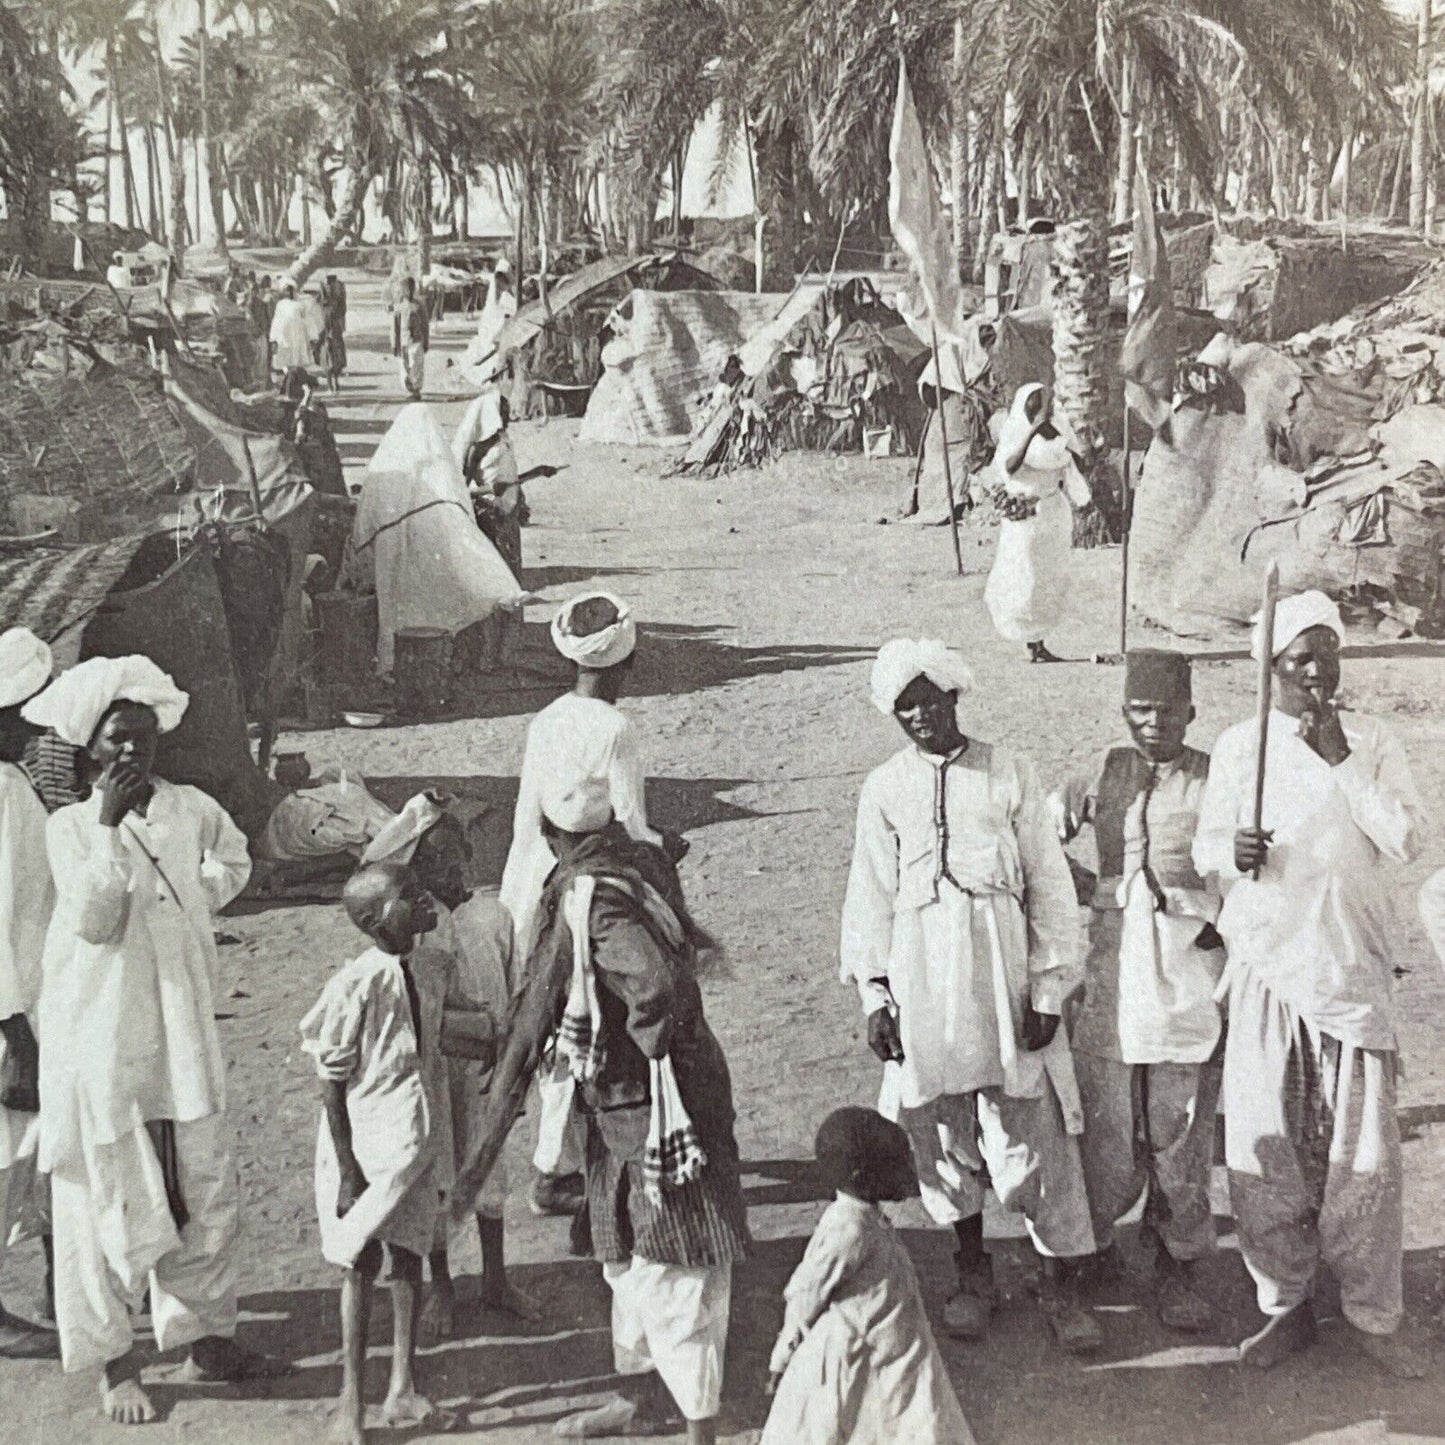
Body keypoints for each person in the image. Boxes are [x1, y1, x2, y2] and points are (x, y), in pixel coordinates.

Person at [22, 655, 285, 1423]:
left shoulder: (188, 807)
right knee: (106, 1187)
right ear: (90, 748)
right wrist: (107, 829)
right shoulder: (69, 827)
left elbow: (232, 858)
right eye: (118, 740)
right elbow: (94, 920)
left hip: (180, 1027)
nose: (134, 753)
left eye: (144, 737)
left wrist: (192, 906)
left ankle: (208, 1338)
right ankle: (115, 1358)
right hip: (103, 1035)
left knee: (203, 1178)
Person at [841, 639, 1100, 1352]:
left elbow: (1049, 884)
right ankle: (970, 1269)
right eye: (904, 705)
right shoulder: (884, 788)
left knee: (1030, 1136)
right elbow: (869, 896)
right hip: (924, 985)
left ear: (954, 696)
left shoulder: (1008, 770)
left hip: (1001, 978)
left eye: (929, 698)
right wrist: (875, 996)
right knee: (943, 1132)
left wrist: (1049, 986)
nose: (919, 714)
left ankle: (1060, 1282)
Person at [1192, 590, 1425, 1377]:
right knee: (1272, 1153)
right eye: (1301, 658)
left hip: (1350, 969)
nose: (1319, 670)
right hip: (1267, 969)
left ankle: (1369, 1316)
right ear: (1270, 668)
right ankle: (1284, 1305)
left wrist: (1343, 762)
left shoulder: (1373, 738)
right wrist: (1234, 849)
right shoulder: (1237, 746)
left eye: (1330, 653)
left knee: (1364, 1162)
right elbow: (1203, 851)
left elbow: (1405, 837)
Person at [533, 772, 747, 1444]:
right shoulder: (636, 865)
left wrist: (646, 1048)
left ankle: (698, 1428)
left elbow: (649, 980)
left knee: (672, 1257)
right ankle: (648, 1399)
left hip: (651, 1095)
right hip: (640, 1095)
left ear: (550, 836)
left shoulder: (595, 899)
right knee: (627, 1250)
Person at [1051, 650, 1224, 1331]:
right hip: (1114, 977)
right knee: (1106, 1129)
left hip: (1186, 979)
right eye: (1139, 711)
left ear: (1190, 710)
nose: (1153, 724)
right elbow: (1034, 840)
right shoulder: (1103, 770)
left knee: (1178, 1131)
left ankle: (1175, 1262)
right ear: (1125, 713)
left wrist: (1219, 919)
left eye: (1167, 710)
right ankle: (1088, 1254)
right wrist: (1073, 881)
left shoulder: (1220, 776)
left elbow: (1249, 871)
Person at [498, 592, 686, 1218]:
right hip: (589, 885)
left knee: (554, 1020)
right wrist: (666, 849)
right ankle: (558, 1166)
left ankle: (563, 1156)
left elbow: (530, 812)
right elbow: (632, 822)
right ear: (626, 665)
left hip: (533, 876)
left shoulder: (546, 719)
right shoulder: (617, 729)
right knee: (593, 1012)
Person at [301, 861, 492, 1443]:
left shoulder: (434, 966)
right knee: (359, 1264)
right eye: (411, 896)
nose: (426, 900)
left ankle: (403, 1387)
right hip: (364, 1148)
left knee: (407, 1257)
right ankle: (351, 1401)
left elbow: (443, 1031)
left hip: (417, 1141)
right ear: (373, 920)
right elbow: (331, 1082)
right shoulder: (354, 985)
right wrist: (348, 1170)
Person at [360, 794, 538, 1339]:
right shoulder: (415, 931)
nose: (456, 870)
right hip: (435, 1071)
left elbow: (514, 984)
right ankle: (441, 1284)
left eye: (460, 856)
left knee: (489, 1163)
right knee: (440, 1171)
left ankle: (495, 1277)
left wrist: (509, 1049)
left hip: (485, 1068)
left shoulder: (494, 914)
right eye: (440, 862)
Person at [760, 1107, 976, 1445]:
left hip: (893, 1341)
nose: (909, 1172)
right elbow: (807, 1292)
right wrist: (784, 1354)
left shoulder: (864, 1216)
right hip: (866, 1350)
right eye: (899, 1167)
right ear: (862, 1179)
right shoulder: (847, 1229)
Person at [344, 404, 527, 675]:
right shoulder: (439, 463)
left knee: (391, 605)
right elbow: (460, 507)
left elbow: (365, 519)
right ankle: (432, 662)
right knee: (427, 605)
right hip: (428, 541)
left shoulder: (387, 462)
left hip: (389, 548)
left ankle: (390, 661)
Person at [0, 629, 57, 1359]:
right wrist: (14, 1029)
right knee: (10, 1154)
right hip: (14, 1008)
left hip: (36, 996)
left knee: (42, 1150)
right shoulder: (3, 797)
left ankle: (57, 1281)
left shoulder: (15, 784)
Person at [982, 384, 1092, 663]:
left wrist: (1056, 434)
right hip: (1025, 514)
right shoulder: (1015, 431)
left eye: (1042, 402)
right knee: (1024, 576)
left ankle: (1039, 642)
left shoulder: (1056, 431)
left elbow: (1078, 462)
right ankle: (1029, 641)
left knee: (1047, 577)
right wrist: (1032, 432)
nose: (1039, 407)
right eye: (1033, 402)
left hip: (1051, 513)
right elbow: (1009, 465)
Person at [455, 389, 524, 577]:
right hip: (489, 509)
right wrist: (489, 490)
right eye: (504, 413)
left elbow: (509, 471)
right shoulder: (477, 449)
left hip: (508, 505)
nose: (508, 418)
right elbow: (462, 488)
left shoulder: (503, 439)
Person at [270, 279, 320, 376]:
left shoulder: (300, 305)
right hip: (284, 337)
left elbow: (308, 321)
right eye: (286, 290)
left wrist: (313, 337)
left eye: (290, 290)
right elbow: (276, 322)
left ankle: (298, 382)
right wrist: (273, 338)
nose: (289, 293)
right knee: (285, 360)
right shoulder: (280, 305)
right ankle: (289, 380)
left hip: (297, 337)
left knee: (297, 361)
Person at [393, 276, 431, 400]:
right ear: (403, 290)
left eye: (411, 288)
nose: (409, 291)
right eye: (407, 288)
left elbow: (425, 324)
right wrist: (395, 344)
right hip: (404, 340)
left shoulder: (419, 305)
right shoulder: (399, 306)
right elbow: (395, 327)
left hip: (417, 340)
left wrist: (426, 341)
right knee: (404, 365)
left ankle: (416, 389)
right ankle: (409, 389)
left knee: (417, 365)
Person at [317, 273, 348, 391]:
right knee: (331, 354)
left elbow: (341, 308)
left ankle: (333, 381)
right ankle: (332, 381)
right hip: (330, 327)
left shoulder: (337, 290)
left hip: (332, 327)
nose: (329, 286)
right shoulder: (335, 289)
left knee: (332, 354)